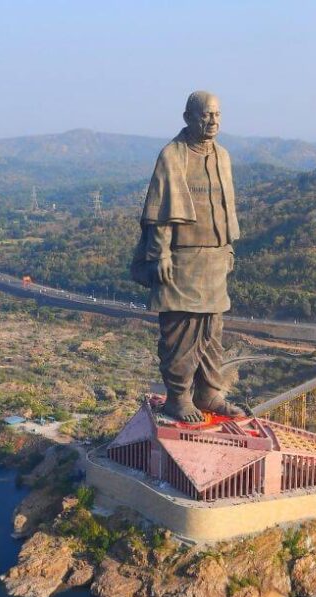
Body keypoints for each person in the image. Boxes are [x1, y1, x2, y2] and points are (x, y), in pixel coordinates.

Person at [134, 90, 245, 423]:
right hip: (181, 257)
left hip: (214, 257)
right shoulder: (173, 155)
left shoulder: (223, 156)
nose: (212, 121)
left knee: (213, 329)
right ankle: (179, 397)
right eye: (205, 115)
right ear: (187, 117)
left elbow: (225, 210)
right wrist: (160, 253)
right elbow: (160, 213)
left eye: (217, 115)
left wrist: (228, 248)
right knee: (181, 330)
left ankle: (209, 391)